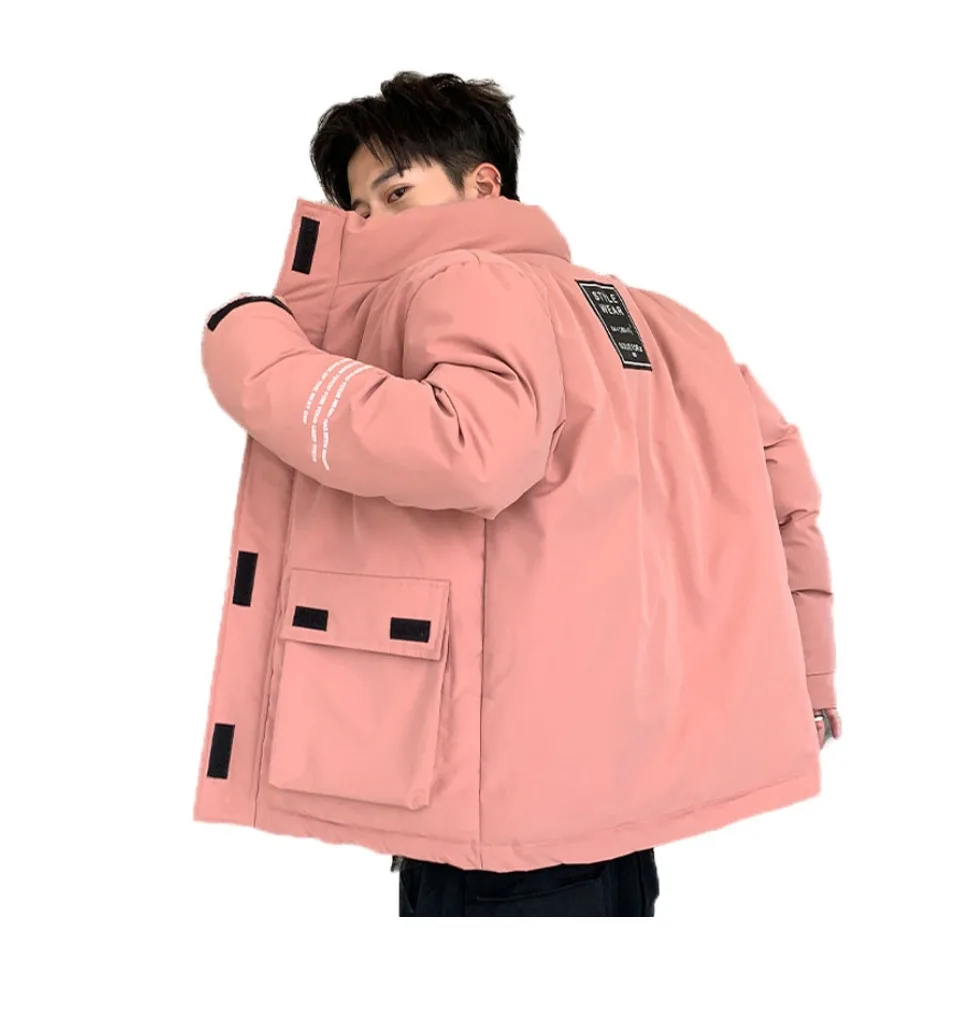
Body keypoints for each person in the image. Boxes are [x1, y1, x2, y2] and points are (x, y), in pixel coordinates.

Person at [195, 71, 842, 917]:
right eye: (358, 208)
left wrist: (258, 354)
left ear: (483, 183)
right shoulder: (673, 324)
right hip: (627, 794)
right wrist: (808, 681)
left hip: (500, 807)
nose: (373, 225)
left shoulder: (459, 279)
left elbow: (471, 450)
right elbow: (786, 501)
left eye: (396, 192)